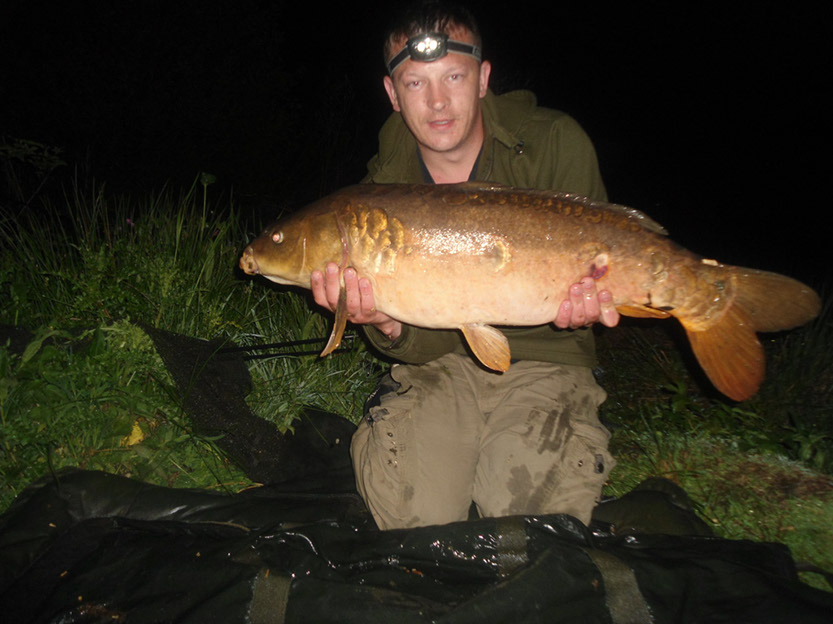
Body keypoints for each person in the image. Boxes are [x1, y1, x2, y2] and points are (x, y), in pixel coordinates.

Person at [311, 2, 619, 530]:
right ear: (391, 94)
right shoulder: (377, 192)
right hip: (440, 364)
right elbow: (428, 336)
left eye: (453, 76)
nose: (437, 101)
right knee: (415, 518)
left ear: (483, 79)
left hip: (550, 360)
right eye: (415, 83)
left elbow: (604, 263)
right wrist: (386, 322)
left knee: (527, 524)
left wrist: (589, 304)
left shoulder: (553, 142)